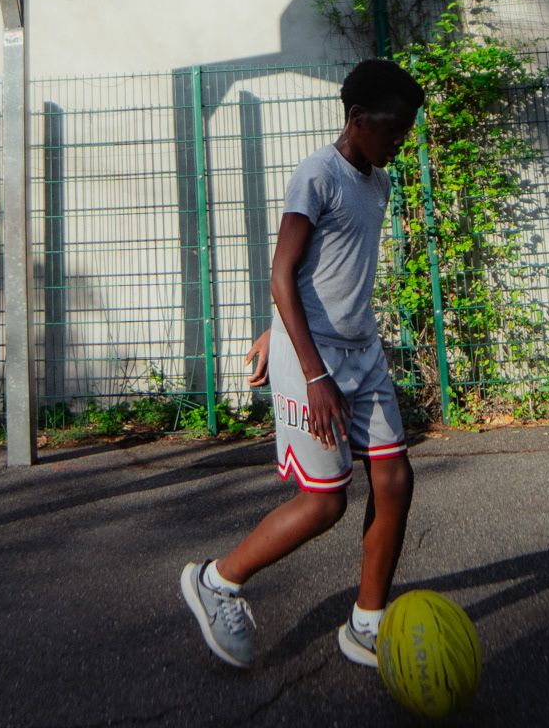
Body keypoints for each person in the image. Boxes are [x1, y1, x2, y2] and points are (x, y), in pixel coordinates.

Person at [180, 58, 425, 669]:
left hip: (362, 350)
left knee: (395, 479)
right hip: (314, 361)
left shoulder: (379, 183)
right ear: (357, 117)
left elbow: (325, 271)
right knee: (325, 504)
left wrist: (273, 327)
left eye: (406, 130)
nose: (401, 140)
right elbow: (281, 273)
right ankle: (217, 580)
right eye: (393, 128)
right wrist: (311, 372)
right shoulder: (317, 175)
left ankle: (367, 624)